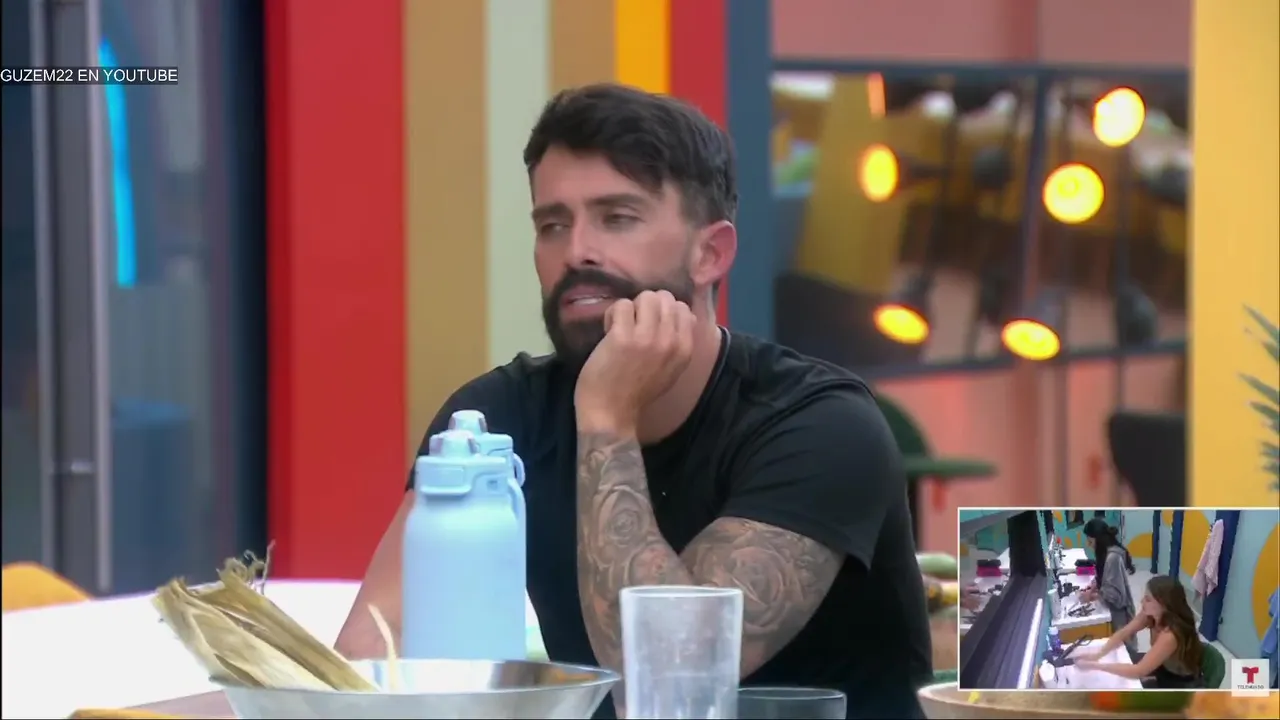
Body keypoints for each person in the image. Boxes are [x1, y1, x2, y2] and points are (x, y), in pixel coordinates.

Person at [333, 83, 933, 719]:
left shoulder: (821, 425)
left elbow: (665, 687)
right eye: (552, 224)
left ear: (710, 253)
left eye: (617, 218)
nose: (576, 251)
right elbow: (366, 661)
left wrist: (606, 418)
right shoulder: (498, 419)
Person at [1076, 575, 1204, 689]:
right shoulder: (1150, 615)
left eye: (1148, 599)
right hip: (1163, 667)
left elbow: (1138, 671)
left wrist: (1097, 665)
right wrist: (1098, 654)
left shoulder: (1170, 635)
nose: (1141, 601)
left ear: (1164, 605)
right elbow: (1123, 632)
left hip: (1180, 683)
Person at [1078, 517, 1138, 659]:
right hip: (1115, 612)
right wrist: (1093, 586)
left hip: (1120, 615)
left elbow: (1115, 597)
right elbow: (1104, 576)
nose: (1089, 545)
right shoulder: (1106, 554)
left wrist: (1092, 597)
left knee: (1124, 653)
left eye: (1090, 541)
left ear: (1099, 540)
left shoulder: (1112, 558)